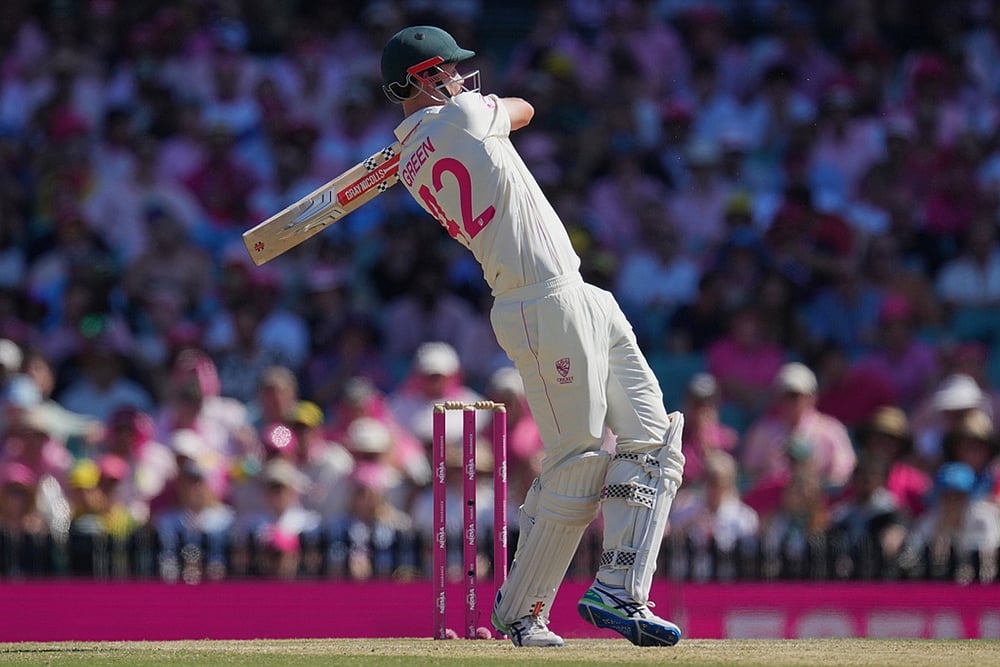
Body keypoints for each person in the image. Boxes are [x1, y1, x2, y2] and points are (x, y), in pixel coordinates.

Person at [379, 25, 685, 647]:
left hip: (574, 292)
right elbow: (526, 108)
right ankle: (522, 612)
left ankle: (620, 590)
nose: (463, 79)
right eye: (449, 70)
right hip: (538, 301)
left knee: (653, 435)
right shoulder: (463, 116)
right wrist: (472, 106)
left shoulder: (411, 161)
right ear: (420, 80)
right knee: (577, 459)